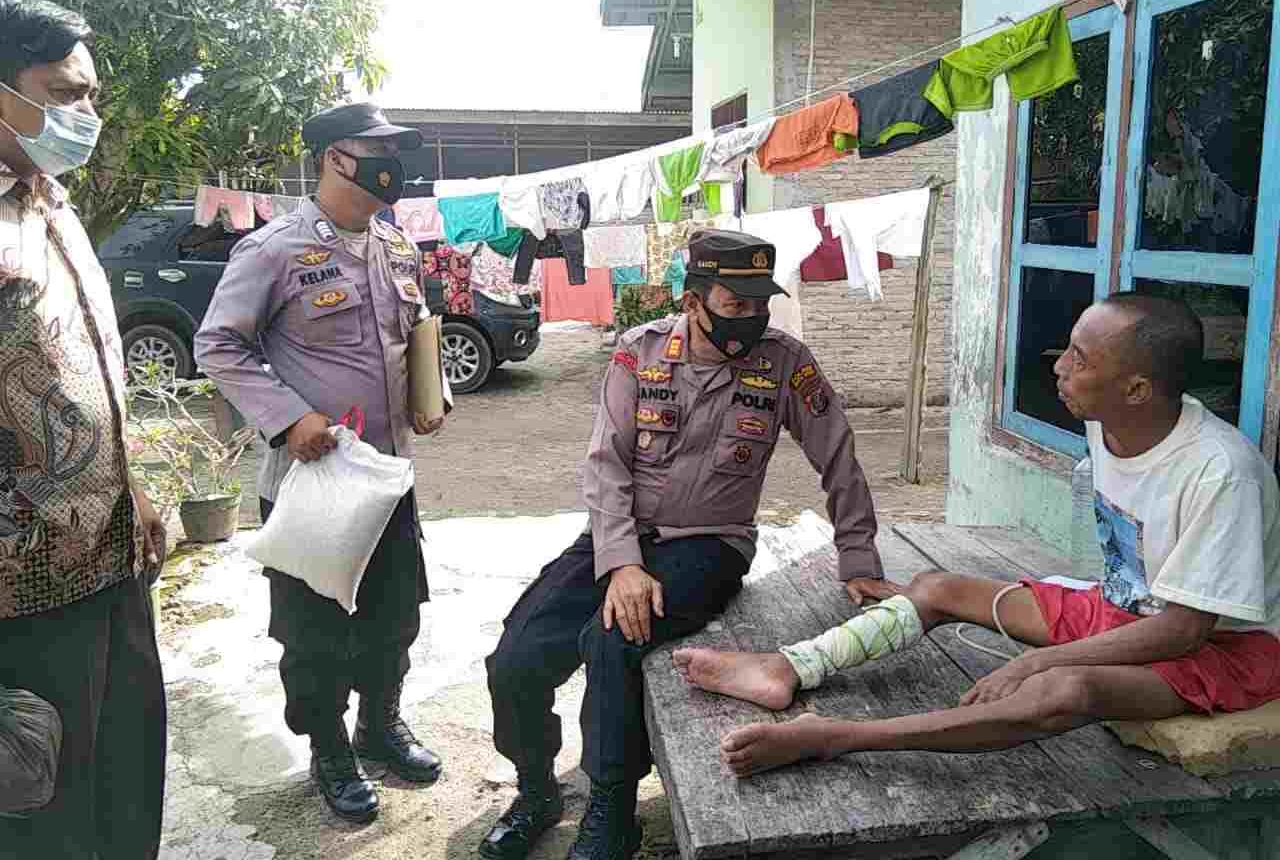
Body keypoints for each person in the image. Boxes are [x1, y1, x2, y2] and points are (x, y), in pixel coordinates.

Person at [673, 293, 1280, 776]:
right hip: (1125, 611)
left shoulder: (1221, 473)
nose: (1059, 367)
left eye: (1080, 359)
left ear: (1137, 390)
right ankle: (789, 666)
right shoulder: (1109, 422)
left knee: (1062, 688)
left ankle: (836, 736)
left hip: (1223, 650)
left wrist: (1038, 661)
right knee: (938, 586)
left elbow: (1182, 630)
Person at [482, 229, 883, 860]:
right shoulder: (637, 353)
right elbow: (606, 465)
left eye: (761, 304)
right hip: (618, 536)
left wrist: (858, 556)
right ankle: (536, 790)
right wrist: (621, 562)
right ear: (694, 301)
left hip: (709, 544)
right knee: (516, 655)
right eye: (735, 304)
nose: (751, 317)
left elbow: (838, 456)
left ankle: (613, 809)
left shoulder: (785, 362)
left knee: (613, 640)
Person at [195, 103, 445, 823]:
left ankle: (379, 726)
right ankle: (329, 747)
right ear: (336, 157)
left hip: (386, 477)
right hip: (313, 483)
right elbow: (219, 344)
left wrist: (431, 393)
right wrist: (288, 417)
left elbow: (414, 335)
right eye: (378, 150)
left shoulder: (397, 247)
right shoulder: (273, 249)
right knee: (314, 633)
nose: (392, 164)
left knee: (396, 614)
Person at [0, 0, 168, 859]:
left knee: (127, 782)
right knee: (47, 814)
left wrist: (136, 491)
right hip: (21, 592)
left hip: (110, 558)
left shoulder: (52, 203)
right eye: (65, 95)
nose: (87, 116)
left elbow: (91, 368)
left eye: (91, 94)